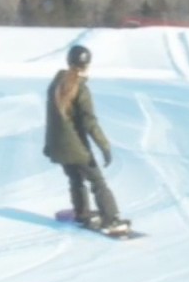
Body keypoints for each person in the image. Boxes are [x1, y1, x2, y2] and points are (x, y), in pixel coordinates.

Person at [43, 44, 128, 232]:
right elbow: (90, 122)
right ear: (87, 65)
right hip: (76, 146)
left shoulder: (55, 85)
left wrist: (49, 144)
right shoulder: (80, 89)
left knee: (75, 179)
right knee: (97, 181)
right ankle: (111, 219)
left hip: (59, 146)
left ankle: (81, 214)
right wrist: (104, 146)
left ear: (68, 61)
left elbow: (51, 118)